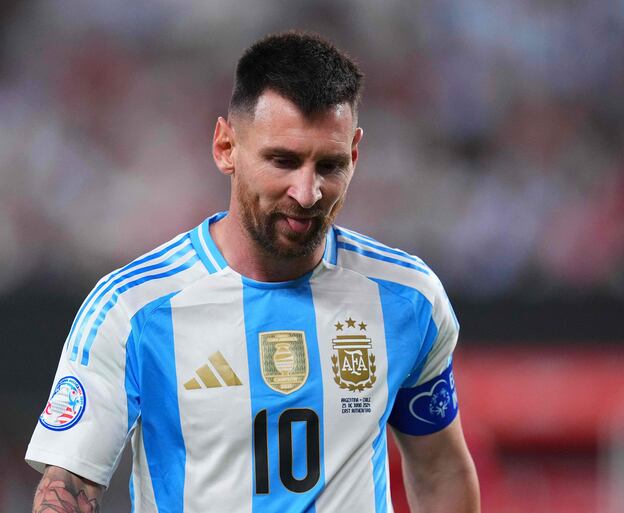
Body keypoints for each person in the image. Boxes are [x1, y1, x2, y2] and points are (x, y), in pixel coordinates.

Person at [26, 31, 480, 513]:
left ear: (354, 154)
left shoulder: (408, 299)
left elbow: (440, 468)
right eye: (283, 161)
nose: (307, 192)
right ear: (226, 147)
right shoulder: (133, 309)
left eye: (329, 165)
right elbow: (68, 488)